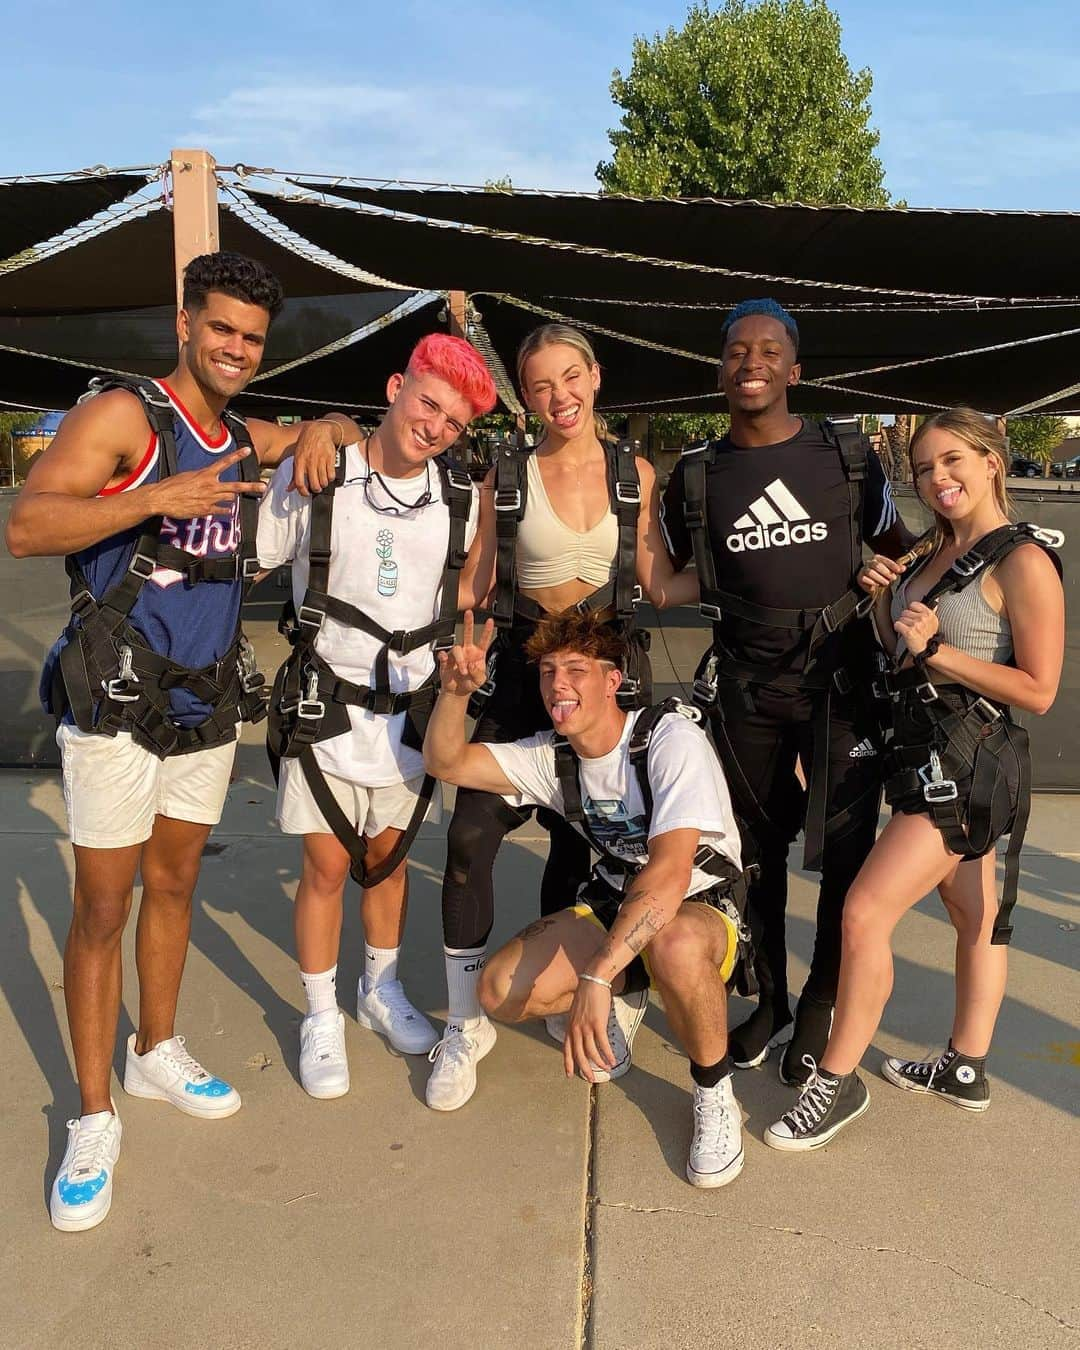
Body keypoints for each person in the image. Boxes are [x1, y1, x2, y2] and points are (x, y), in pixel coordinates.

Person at [4, 252, 342, 1232]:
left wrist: (321, 424)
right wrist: (155, 499)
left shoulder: (236, 433)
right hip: (114, 703)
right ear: (185, 322)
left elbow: (321, 434)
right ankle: (94, 1113)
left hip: (201, 706)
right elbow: (27, 528)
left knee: (178, 886)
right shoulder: (123, 417)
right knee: (101, 906)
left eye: (252, 338)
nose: (236, 349)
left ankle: (156, 1048)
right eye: (222, 329)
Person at [765, 408, 1064, 1150]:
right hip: (915, 754)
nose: (940, 478)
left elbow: (1039, 688)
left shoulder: (1021, 561)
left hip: (961, 769)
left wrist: (940, 654)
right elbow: (897, 645)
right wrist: (878, 597)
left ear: (993, 459)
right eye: (926, 467)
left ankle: (837, 1083)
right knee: (975, 916)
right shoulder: (933, 548)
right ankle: (966, 1067)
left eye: (954, 460)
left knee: (864, 913)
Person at [428, 323, 699, 1112]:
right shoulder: (504, 473)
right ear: (527, 396)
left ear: (596, 377)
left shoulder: (633, 473)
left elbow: (656, 577)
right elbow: (473, 583)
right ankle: (459, 1021)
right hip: (522, 676)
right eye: (541, 386)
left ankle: (584, 980)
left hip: (606, 681)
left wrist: (755, 568)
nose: (559, 397)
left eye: (570, 378)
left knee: (585, 841)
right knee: (472, 836)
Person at [660, 298, 914, 1086]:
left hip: (843, 687)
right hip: (746, 690)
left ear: (794, 371)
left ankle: (817, 1009)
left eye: (769, 351)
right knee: (756, 858)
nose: (752, 362)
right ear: (721, 367)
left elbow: (905, 550)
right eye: (737, 351)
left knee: (845, 858)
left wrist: (885, 579)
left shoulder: (847, 458)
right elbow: (669, 574)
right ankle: (768, 1002)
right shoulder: (696, 476)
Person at [425, 610, 749, 1185]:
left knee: (671, 942)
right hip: (618, 902)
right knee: (498, 990)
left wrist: (595, 978)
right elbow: (447, 762)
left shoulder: (670, 740)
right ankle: (629, 994)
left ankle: (714, 1089)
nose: (558, 684)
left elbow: (672, 872)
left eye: (577, 669)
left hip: (699, 904)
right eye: (549, 671)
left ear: (613, 680)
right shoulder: (555, 754)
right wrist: (455, 694)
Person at [258, 334, 495, 1098]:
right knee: (326, 867)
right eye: (428, 403)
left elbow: (467, 595)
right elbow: (260, 551)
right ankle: (320, 1011)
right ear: (396, 387)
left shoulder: (458, 502)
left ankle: (378, 988)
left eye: (453, 422)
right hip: (325, 705)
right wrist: (316, 430)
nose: (435, 427)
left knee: (386, 864)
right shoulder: (320, 474)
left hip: (406, 714)